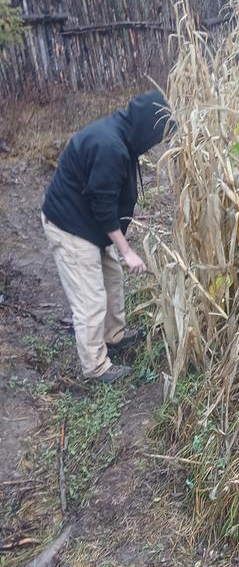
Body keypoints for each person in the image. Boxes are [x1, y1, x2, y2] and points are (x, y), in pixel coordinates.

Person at [41, 89, 172, 383]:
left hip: (89, 224)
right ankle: (95, 367)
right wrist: (126, 250)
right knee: (91, 299)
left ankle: (114, 336)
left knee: (111, 277)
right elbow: (102, 205)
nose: (156, 144)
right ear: (146, 129)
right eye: (157, 137)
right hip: (69, 226)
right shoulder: (110, 146)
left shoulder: (122, 135)